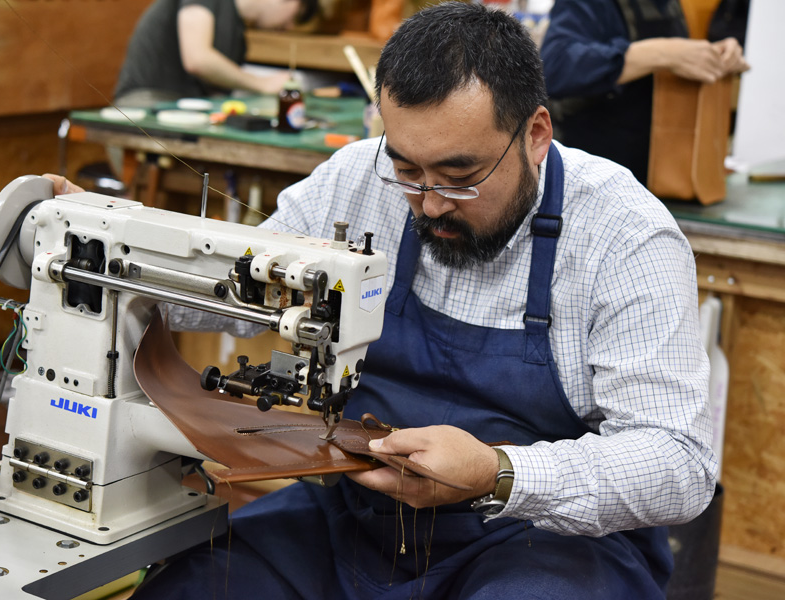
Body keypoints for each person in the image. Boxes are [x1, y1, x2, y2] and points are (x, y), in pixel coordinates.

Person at [47, 2, 715, 597]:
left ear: (536, 134)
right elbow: (225, 293)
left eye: (459, 176)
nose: (427, 203)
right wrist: (109, 238)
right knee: (191, 584)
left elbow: (678, 461)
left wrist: (497, 472)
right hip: (357, 518)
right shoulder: (357, 177)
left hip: (542, 539)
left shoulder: (626, 236)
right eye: (407, 169)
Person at [540, 0, 749, 185]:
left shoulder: (670, 5)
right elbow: (556, 65)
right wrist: (662, 53)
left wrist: (712, 56)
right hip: (599, 180)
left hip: (659, 176)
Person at [113, 0, 318, 107]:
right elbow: (197, 59)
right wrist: (263, 84)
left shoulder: (238, 37)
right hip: (142, 105)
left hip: (184, 109)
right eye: (296, 16)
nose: (290, 26)